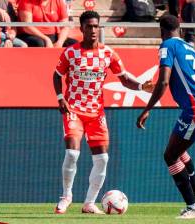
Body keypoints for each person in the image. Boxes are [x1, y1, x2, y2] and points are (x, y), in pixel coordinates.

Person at [53, 10, 153, 214]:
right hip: (74, 109)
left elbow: (124, 78)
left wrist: (142, 87)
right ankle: (66, 196)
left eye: (96, 26)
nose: (93, 30)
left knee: (103, 159)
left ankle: (89, 203)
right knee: (72, 152)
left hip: (96, 113)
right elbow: (56, 75)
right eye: (88, 26)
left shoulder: (108, 53)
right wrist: (60, 98)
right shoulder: (70, 52)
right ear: (81, 28)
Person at [136, 15, 195, 219]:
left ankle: (193, 207)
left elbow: (163, 81)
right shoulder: (191, 48)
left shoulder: (167, 46)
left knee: (170, 155)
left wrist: (147, 109)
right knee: (179, 151)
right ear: (180, 29)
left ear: (161, 31)